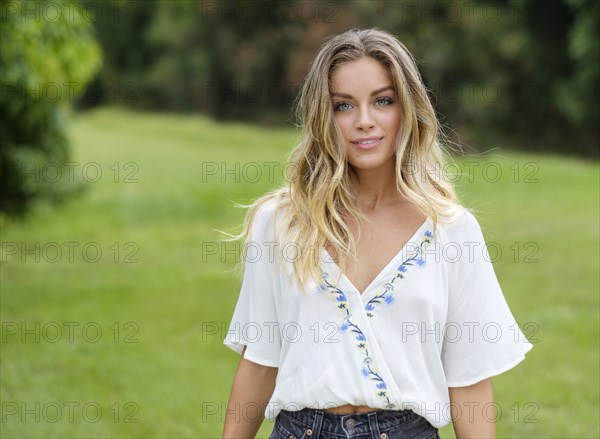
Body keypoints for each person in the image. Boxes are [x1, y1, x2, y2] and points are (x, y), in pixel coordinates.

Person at [221, 28, 533, 439]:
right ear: (321, 115)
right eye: (343, 105)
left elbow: (469, 382)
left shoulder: (452, 232)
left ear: (407, 108)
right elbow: (260, 363)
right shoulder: (281, 223)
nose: (364, 121)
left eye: (382, 101)